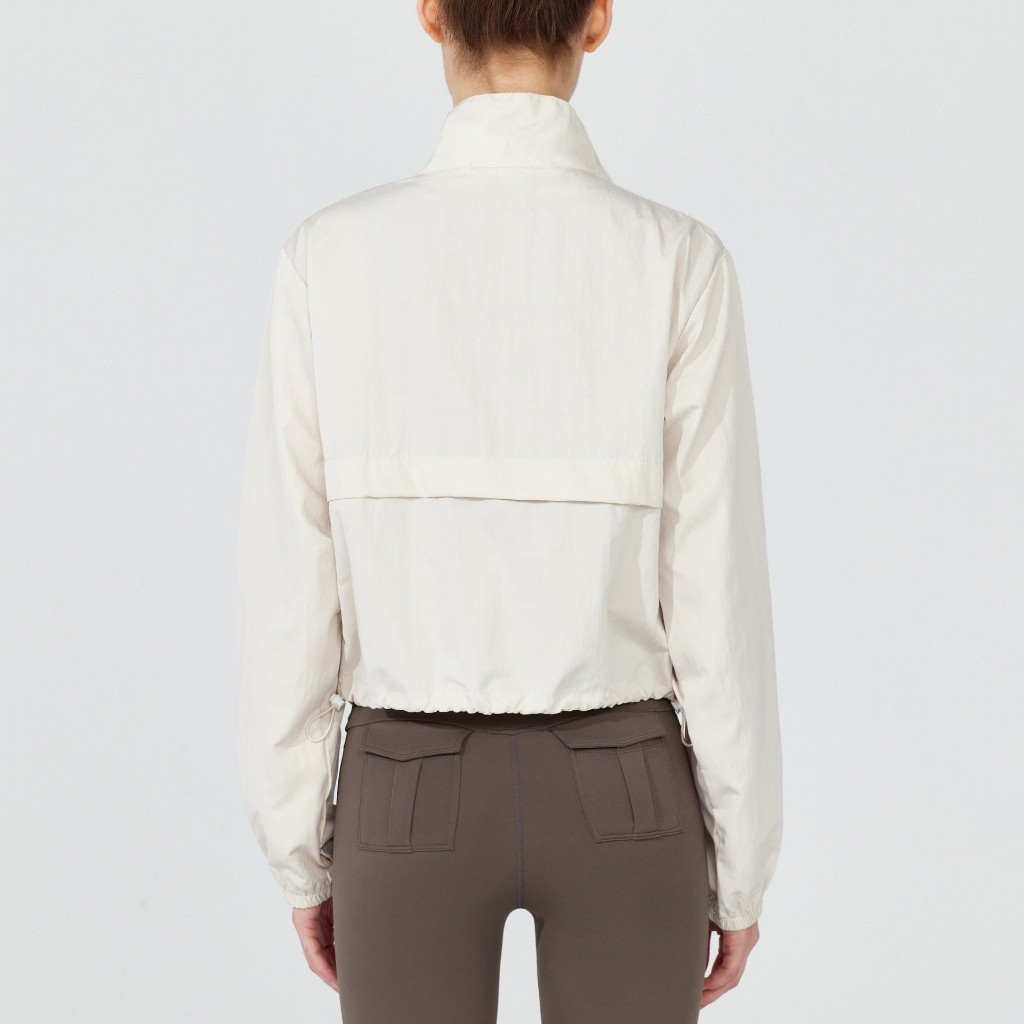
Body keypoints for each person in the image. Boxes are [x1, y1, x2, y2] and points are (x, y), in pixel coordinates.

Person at [233, 1, 784, 1020]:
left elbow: (289, 595)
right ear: (599, 19)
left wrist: (299, 853)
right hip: (625, 785)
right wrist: (742, 866)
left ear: (431, 14)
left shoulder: (328, 258)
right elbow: (715, 595)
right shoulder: (676, 261)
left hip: (404, 788)